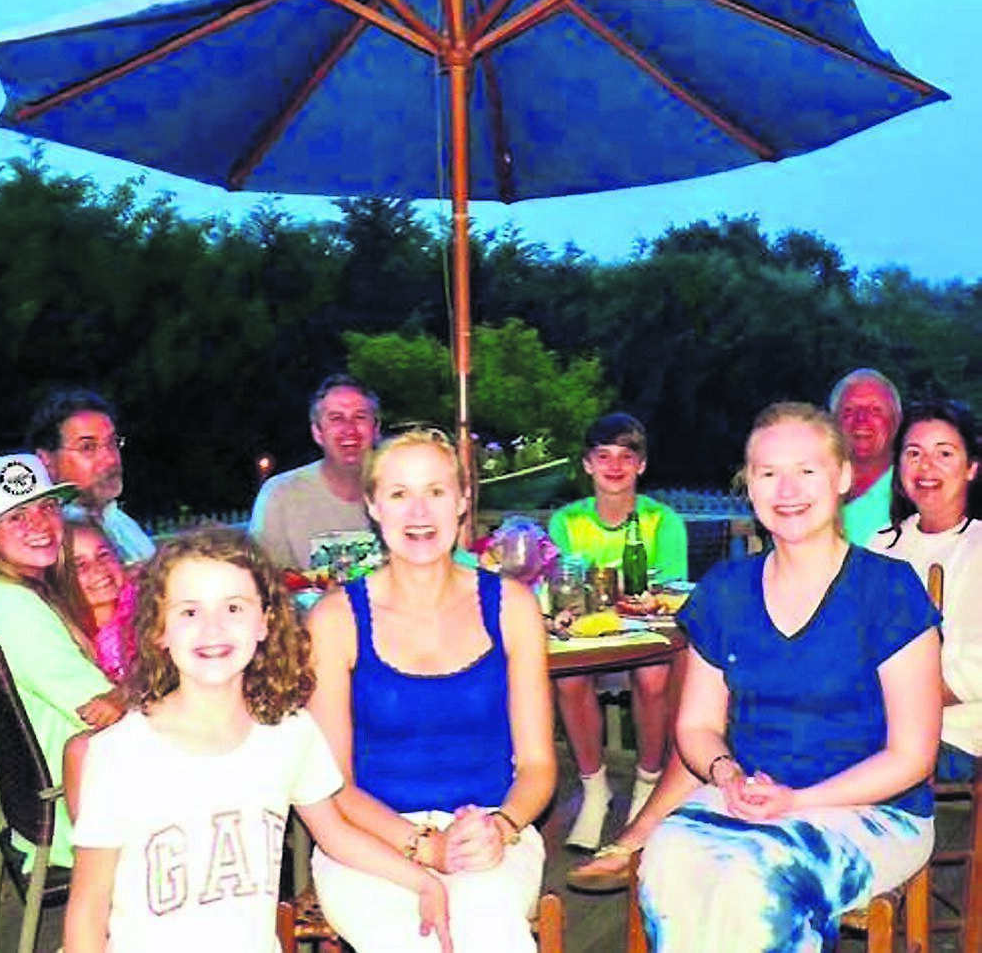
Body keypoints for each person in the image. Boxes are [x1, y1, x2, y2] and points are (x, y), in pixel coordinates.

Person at [638, 402, 941, 952]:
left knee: (757, 884)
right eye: (767, 473)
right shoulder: (725, 590)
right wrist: (726, 775)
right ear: (749, 488)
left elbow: (912, 756)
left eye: (807, 470)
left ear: (843, 477)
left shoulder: (889, 590)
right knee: (669, 859)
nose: (787, 489)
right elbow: (698, 726)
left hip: (874, 810)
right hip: (750, 796)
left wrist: (798, 803)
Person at [63, 527, 450, 953]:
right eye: (189, 612)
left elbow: (335, 833)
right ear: (159, 629)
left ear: (265, 622)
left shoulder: (289, 732)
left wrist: (422, 881)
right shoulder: (119, 754)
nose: (213, 628)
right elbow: (88, 908)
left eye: (234, 607)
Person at [307, 428, 556, 952]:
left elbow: (537, 767)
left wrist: (502, 826)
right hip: (369, 840)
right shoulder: (336, 620)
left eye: (436, 492)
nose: (419, 512)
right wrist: (425, 847)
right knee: (411, 941)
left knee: (490, 935)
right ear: (373, 505)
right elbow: (333, 784)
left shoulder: (512, 607)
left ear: (464, 501)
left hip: (487, 830)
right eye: (399, 494)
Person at [0, 454, 122, 871]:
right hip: (79, 808)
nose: (41, 524)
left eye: (48, 507)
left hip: (43, 801)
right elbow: (102, 712)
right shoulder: (16, 611)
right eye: (16, 517)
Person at [547, 413, 687, 850]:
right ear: (587, 464)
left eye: (626, 457)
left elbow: (668, 595)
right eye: (603, 456)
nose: (614, 466)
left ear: (641, 465)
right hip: (590, 639)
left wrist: (607, 589)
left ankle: (648, 787)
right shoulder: (566, 521)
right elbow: (563, 589)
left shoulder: (664, 521)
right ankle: (594, 791)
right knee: (568, 678)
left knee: (654, 675)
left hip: (642, 640)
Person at [870, 399, 982, 775]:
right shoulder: (880, 546)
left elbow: (975, 669)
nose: (926, 466)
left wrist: (897, 699)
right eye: (914, 453)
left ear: (971, 468)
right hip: (876, 721)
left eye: (944, 453)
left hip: (954, 736)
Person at [249, 374, 381, 572]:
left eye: (360, 417)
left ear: (376, 429)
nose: (349, 429)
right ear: (318, 432)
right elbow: (262, 579)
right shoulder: (280, 495)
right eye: (336, 419)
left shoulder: (402, 491)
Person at [29, 387, 155, 565]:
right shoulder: (47, 542)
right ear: (47, 460)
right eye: (88, 447)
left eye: (112, 443)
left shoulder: (118, 520)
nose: (111, 459)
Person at [829, 368, 902, 545]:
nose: (861, 419)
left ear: (897, 421)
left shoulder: (911, 496)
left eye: (875, 410)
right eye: (849, 411)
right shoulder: (812, 491)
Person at [58, 519, 137, 682]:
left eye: (103, 554)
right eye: (79, 565)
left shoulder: (150, 611)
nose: (98, 567)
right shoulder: (63, 636)